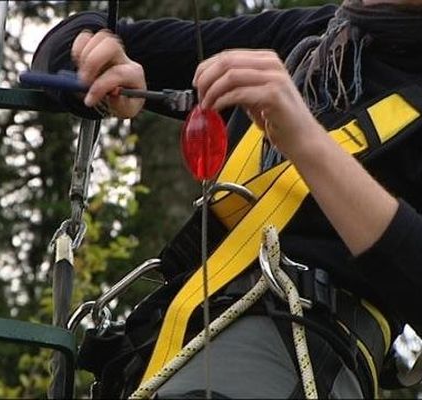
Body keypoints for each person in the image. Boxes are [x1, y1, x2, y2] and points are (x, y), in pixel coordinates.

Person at [32, 0, 422, 397]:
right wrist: (98, 62)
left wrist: (306, 140)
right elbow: (66, 42)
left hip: (305, 351)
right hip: (176, 343)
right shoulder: (310, 39)